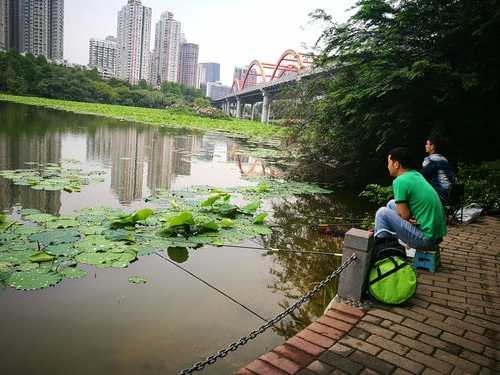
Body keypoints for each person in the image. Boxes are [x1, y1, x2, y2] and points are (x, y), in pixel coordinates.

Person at [374, 147, 447, 249]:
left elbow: (405, 215)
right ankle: (391, 241)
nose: (387, 166)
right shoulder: (416, 174)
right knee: (391, 204)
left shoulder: (400, 181)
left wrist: (404, 219)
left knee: (382, 213)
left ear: (396, 164)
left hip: (426, 239)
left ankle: (384, 251)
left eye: (389, 163)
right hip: (437, 236)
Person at [422, 136, 455, 202]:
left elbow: (422, 178)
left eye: (427, 144)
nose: (425, 146)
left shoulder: (430, 160)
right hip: (451, 195)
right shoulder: (444, 159)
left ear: (432, 147)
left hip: (439, 194)